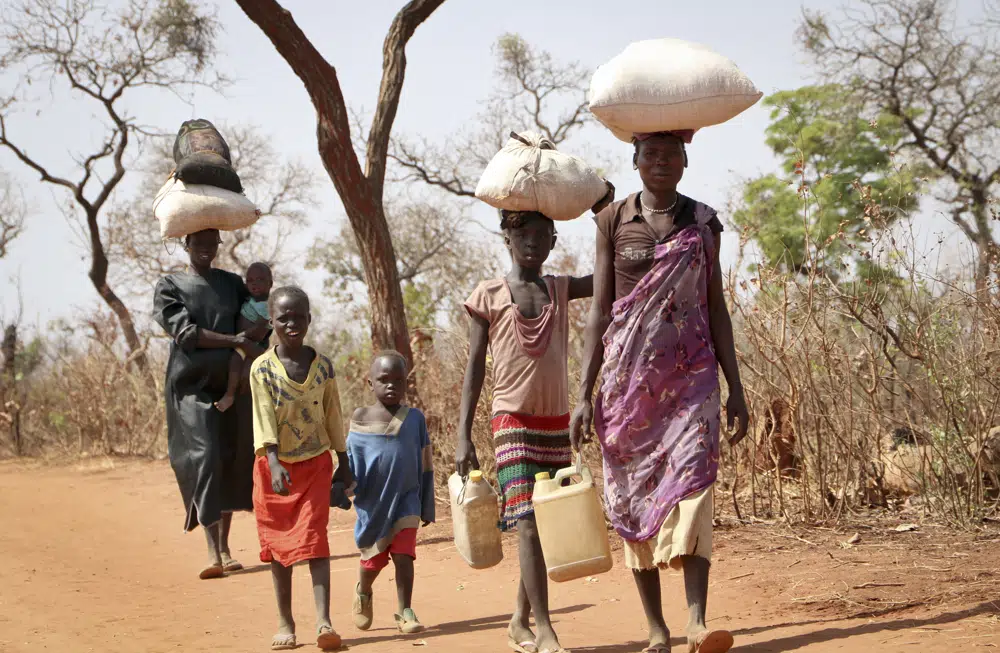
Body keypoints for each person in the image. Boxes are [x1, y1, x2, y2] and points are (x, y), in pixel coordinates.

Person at [570, 131, 750, 653]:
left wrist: (735, 387)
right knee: (630, 498)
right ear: (635, 161)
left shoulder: (703, 222)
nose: (661, 161)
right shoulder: (613, 220)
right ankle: (656, 627)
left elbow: (716, 308)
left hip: (693, 380)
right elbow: (600, 312)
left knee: (694, 484)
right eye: (651, 153)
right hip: (628, 389)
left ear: (686, 161)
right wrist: (585, 393)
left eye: (671, 153)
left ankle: (696, 620)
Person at [456, 204, 607, 653]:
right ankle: (545, 628)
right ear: (506, 239)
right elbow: (474, 369)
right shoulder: (488, 295)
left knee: (544, 521)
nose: (532, 243)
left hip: (555, 422)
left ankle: (519, 620)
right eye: (523, 236)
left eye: (542, 236)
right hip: (511, 421)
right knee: (527, 523)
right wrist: (463, 434)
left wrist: (606, 216)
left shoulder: (559, 289)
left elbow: (608, 275)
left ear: (554, 242)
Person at [153, 228, 262, 580]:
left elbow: (256, 317)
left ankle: (226, 549)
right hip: (191, 386)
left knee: (231, 456)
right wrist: (233, 339)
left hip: (232, 384)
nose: (204, 249)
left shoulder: (232, 284)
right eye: (197, 243)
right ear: (186, 245)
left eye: (211, 243)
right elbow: (185, 334)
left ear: (219, 245)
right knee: (207, 456)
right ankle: (212, 550)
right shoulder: (170, 287)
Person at [248, 285, 353, 651]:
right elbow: (262, 418)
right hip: (274, 472)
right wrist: (273, 461)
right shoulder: (261, 369)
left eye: (299, 317)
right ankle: (285, 622)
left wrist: (344, 459)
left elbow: (333, 413)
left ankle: (324, 622)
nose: (292, 324)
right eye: (283, 318)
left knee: (315, 542)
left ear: (309, 319)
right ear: (271, 321)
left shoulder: (322, 367)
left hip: (314, 467)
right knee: (279, 548)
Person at [349, 351, 435, 635]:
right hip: (373, 504)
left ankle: (404, 610)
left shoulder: (415, 420)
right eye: (384, 380)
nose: (391, 386)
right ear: (369, 382)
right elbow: (351, 464)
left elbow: (425, 465)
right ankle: (363, 590)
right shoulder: (359, 420)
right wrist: (342, 489)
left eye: (399, 380)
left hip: (407, 499)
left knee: (403, 555)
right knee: (372, 562)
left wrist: (427, 504)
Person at [215, 261, 273, 413]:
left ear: (270, 283)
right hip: (243, 342)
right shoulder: (250, 299)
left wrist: (242, 337)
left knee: (236, 361)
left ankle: (229, 394)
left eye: (260, 280)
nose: (254, 284)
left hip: (250, 344)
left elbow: (261, 329)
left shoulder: (268, 307)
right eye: (250, 281)